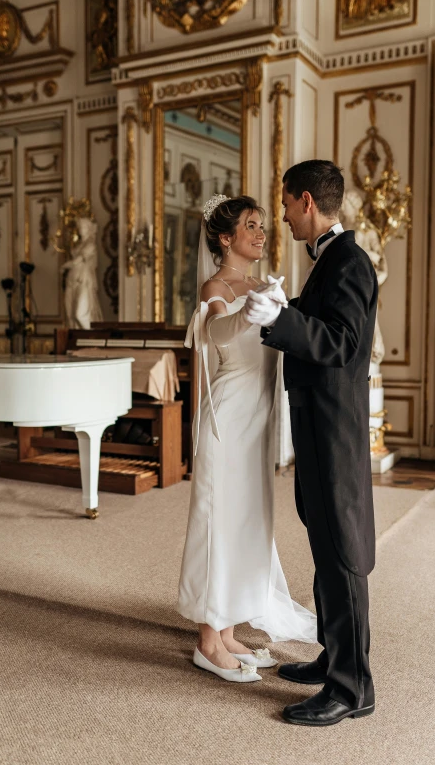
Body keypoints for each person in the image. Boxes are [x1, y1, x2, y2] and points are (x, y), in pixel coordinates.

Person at [245, 160, 378, 725]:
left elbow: (345, 343)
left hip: (334, 428)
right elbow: (322, 322)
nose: (281, 215)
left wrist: (283, 318)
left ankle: (352, 689)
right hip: (317, 425)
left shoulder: (349, 260)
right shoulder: (331, 258)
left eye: (284, 204)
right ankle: (334, 658)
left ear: (304, 200)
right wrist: (286, 312)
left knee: (343, 552)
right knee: (324, 544)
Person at [178, 194, 317, 684]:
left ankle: (229, 627)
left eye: (262, 225)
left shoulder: (264, 283)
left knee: (247, 522)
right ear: (224, 237)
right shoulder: (215, 286)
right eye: (251, 226)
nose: (262, 233)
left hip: (261, 420)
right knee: (218, 521)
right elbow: (217, 332)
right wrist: (247, 315)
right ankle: (207, 642)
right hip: (228, 417)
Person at [62, 217, 104, 329]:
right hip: (71, 280)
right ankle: (76, 341)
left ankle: (90, 338)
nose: (81, 229)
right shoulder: (78, 245)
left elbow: (76, 261)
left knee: (80, 314)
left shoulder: (91, 245)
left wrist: (64, 266)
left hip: (83, 281)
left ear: (89, 228)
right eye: (80, 226)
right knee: (70, 315)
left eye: (83, 226)